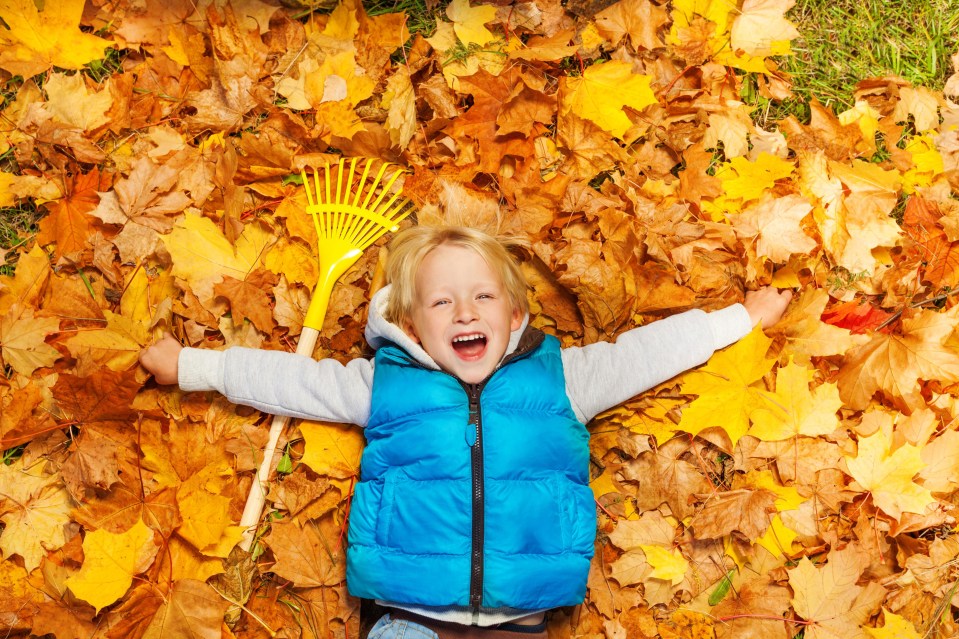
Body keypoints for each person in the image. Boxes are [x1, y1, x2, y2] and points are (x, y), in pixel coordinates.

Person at [140, 225, 791, 639]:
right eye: (442, 301)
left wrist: (735, 319)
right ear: (412, 325)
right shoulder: (384, 383)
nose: (463, 311)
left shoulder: (562, 378)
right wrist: (193, 365)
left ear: (513, 315)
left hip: (520, 611)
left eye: (480, 297)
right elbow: (292, 381)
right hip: (410, 609)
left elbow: (641, 354)